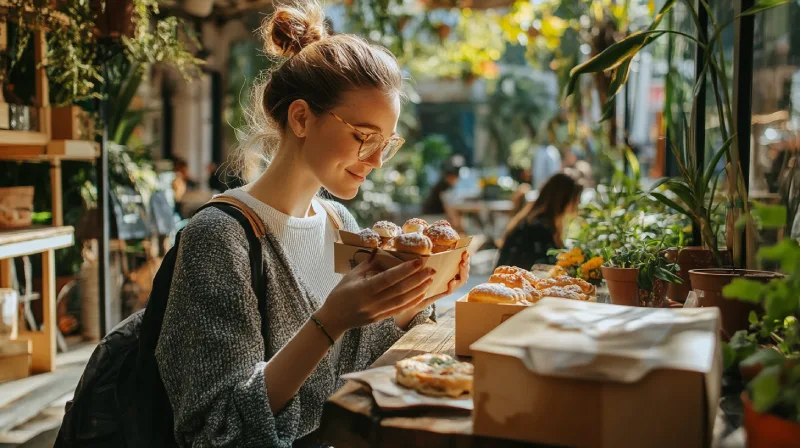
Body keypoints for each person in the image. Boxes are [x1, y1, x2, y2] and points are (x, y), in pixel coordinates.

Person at [155, 4, 470, 446]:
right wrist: (329, 321)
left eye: (387, 142)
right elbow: (218, 430)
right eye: (364, 136)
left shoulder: (339, 221)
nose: (377, 160)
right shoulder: (220, 237)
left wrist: (409, 301)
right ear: (301, 118)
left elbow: (352, 370)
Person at [496, 173, 583, 270]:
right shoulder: (538, 229)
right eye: (576, 200)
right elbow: (544, 268)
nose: (577, 206)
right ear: (564, 200)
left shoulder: (533, 220)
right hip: (513, 282)